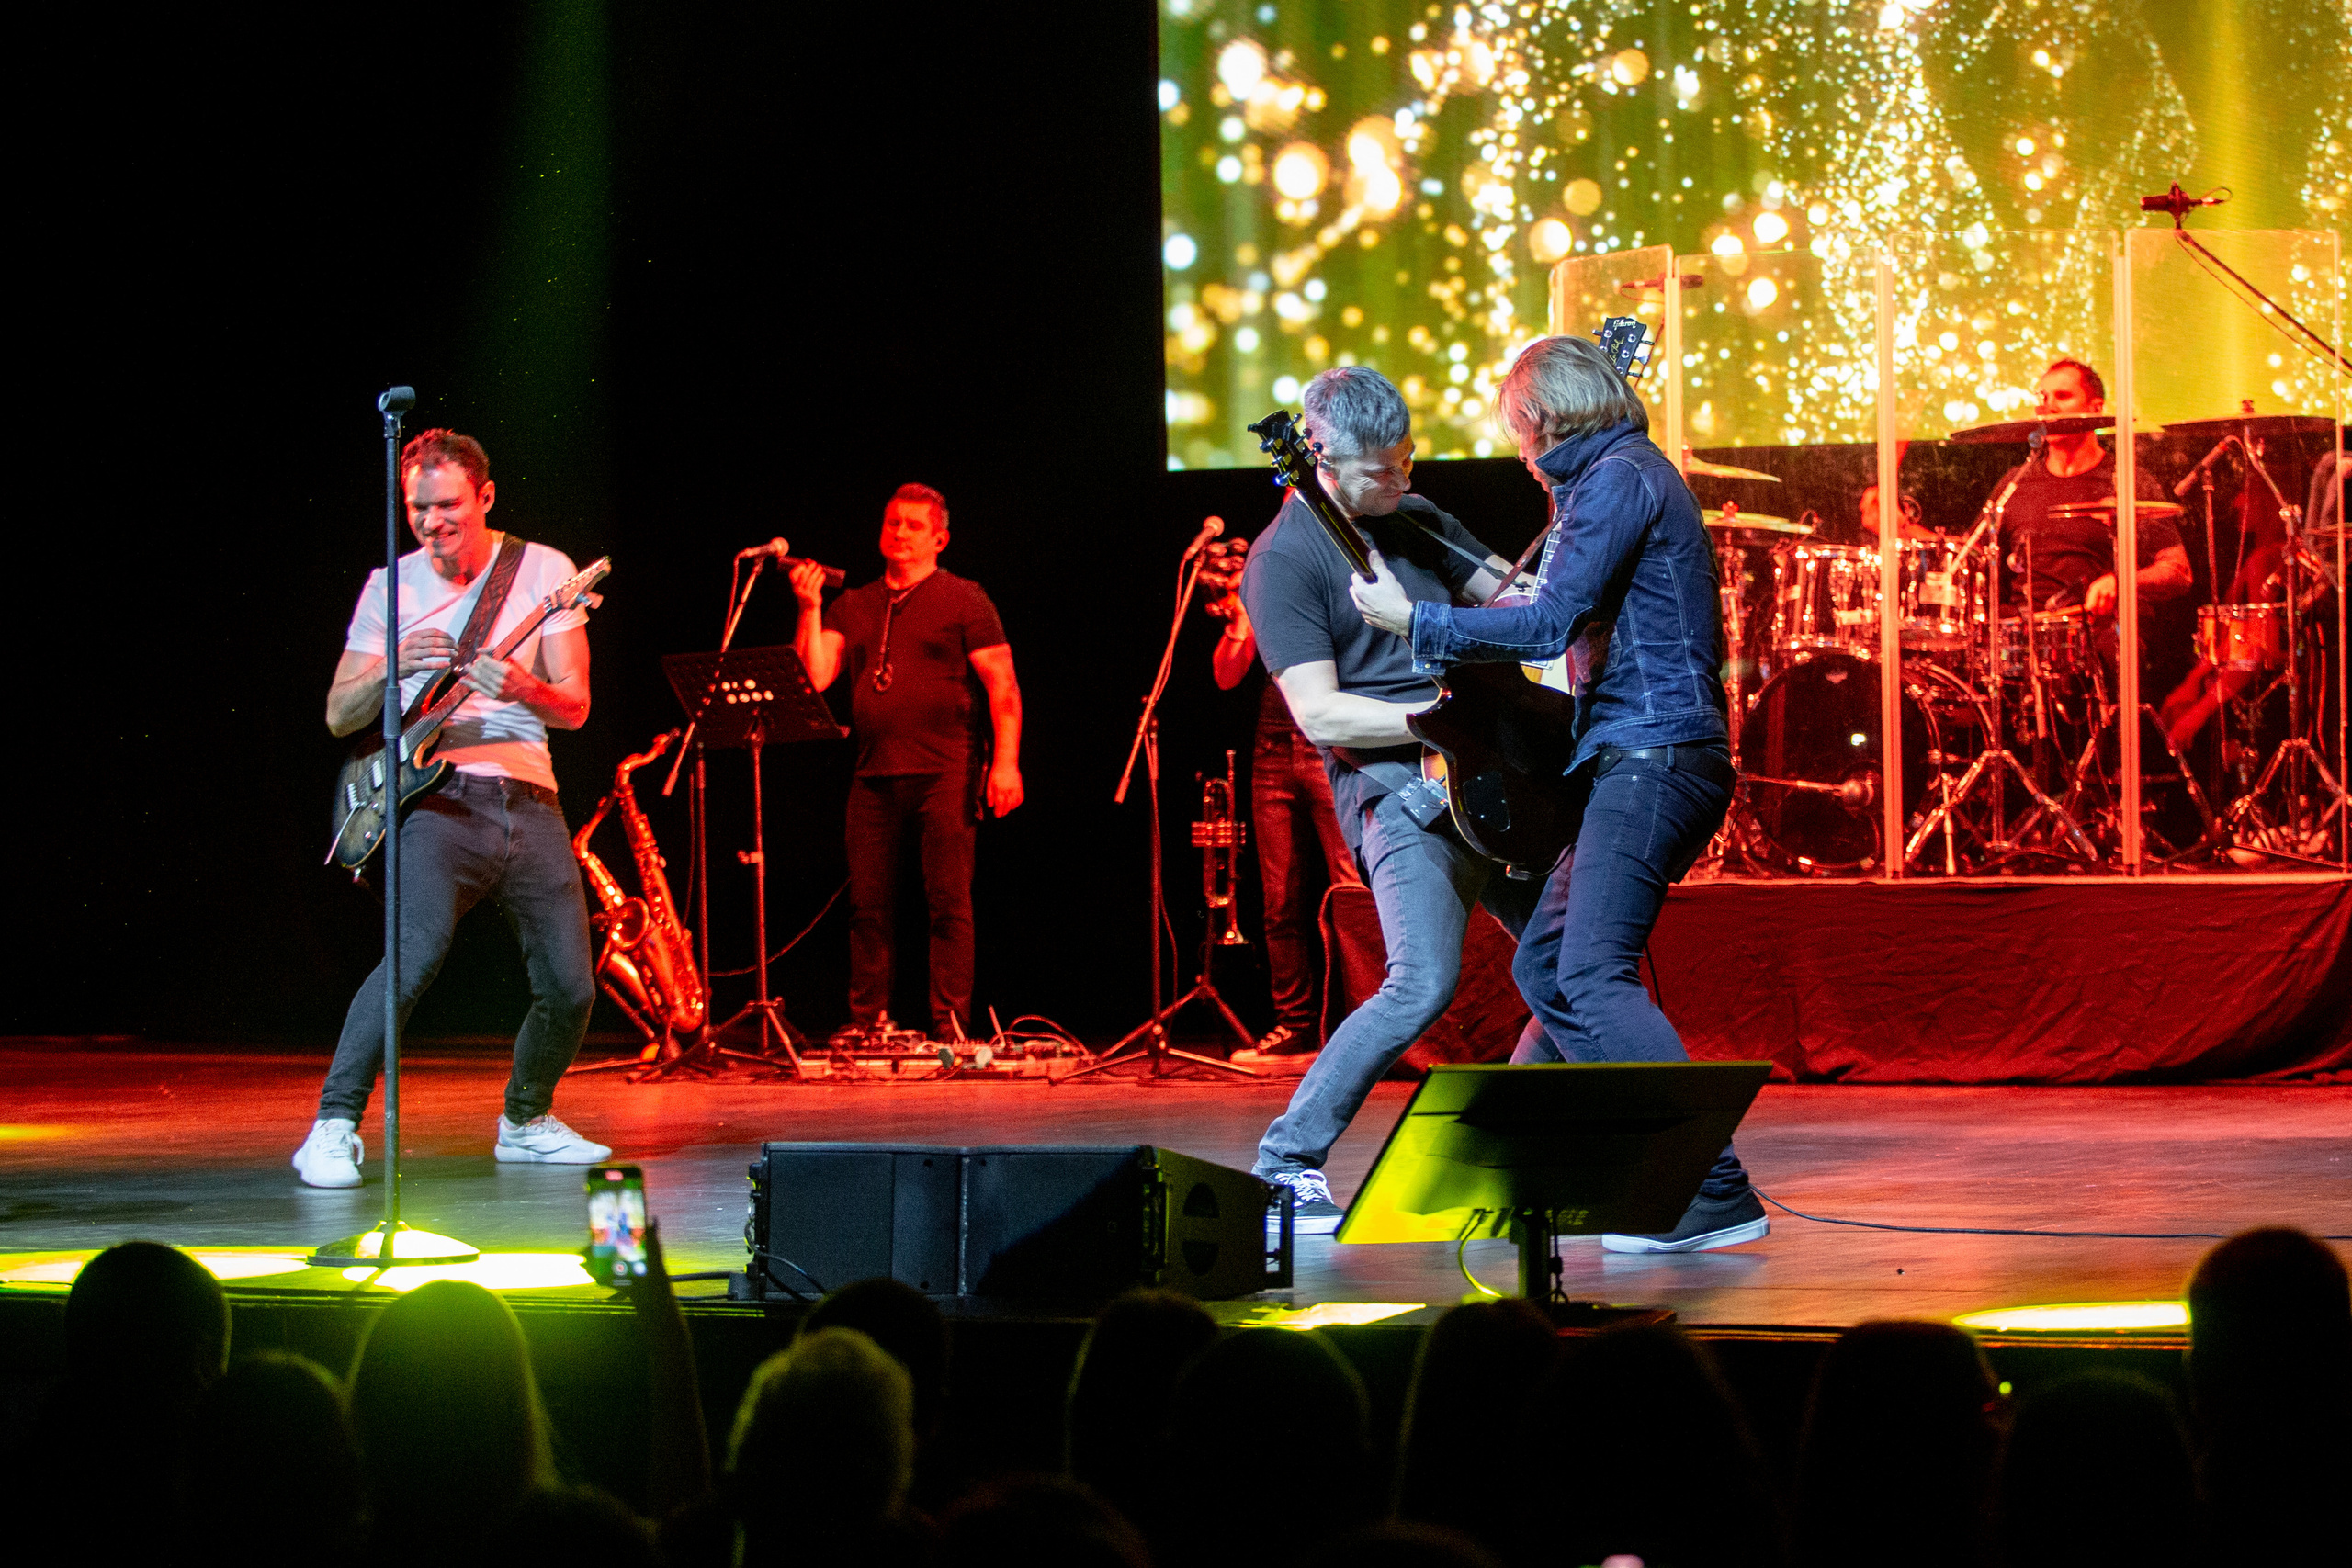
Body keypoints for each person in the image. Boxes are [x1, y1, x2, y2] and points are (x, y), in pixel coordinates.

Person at [1351, 333, 1765, 1253]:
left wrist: (1410, 620)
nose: (1520, 455)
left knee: (1587, 972)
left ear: (1539, 418)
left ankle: (1708, 1193)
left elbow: (1542, 625)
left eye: (1518, 432)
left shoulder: (1616, 479)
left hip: (1653, 757)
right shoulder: (1610, 477)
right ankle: (1629, 1164)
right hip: (1638, 755)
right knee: (1546, 967)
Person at [1238, 366, 1542, 1232]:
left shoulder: (1416, 517)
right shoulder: (1285, 560)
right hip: (1402, 790)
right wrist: (1440, 719)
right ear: (1323, 460)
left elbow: (1514, 600)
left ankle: (1504, 1141)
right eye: (1384, 470)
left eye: (1409, 460)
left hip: (1496, 774)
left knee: (1573, 958)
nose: (1405, 479)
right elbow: (1319, 709)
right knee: (1419, 984)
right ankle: (1285, 1160)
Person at [295, 429, 607, 1190]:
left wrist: (521, 688)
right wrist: (394, 665)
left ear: (486, 497)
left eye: (449, 507)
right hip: (436, 798)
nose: (434, 523)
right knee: (411, 956)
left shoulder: (544, 570)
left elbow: (575, 706)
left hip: (529, 796)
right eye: (419, 508)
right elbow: (339, 713)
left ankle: (526, 1120)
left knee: (571, 986)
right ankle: (332, 1125)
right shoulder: (388, 587)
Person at [793, 484, 1023, 1042]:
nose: (900, 533)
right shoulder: (856, 603)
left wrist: (1007, 764)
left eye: (914, 526)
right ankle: (868, 1022)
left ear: (939, 538)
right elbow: (815, 676)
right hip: (872, 775)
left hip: (945, 771)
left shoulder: (965, 599)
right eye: (893, 523)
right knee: (867, 907)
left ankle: (950, 1028)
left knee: (948, 903)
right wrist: (809, 606)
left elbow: (1003, 688)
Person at [1200, 537, 1362, 1060]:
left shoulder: (1330, 561)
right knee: (1279, 901)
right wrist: (1238, 621)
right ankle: (1294, 1026)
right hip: (1271, 750)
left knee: (1349, 889)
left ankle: (1360, 1020)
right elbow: (1226, 676)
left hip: (1326, 745)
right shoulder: (1264, 573)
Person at [1988, 360, 2193, 622]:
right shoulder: (2015, 482)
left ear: (2095, 408)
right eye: (2043, 396)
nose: (2048, 407)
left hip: (2100, 632)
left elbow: (2178, 571)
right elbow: (1971, 558)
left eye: (2062, 396)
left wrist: (2121, 583)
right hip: (2023, 636)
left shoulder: (2127, 481)